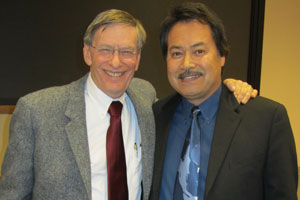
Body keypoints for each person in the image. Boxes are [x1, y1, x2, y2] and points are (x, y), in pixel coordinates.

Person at [0, 9, 256, 200]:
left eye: (126, 51)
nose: (116, 62)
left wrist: (227, 87)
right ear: (87, 53)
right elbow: (12, 195)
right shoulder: (37, 111)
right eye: (106, 50)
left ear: (138, 58)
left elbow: (195, 93)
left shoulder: (147, 99)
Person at [150, 2, 298, 200]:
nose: (187, 64)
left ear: (222, 55)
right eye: (176, 53)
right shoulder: (155, 116)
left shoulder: (267, 120)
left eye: (199, 51)